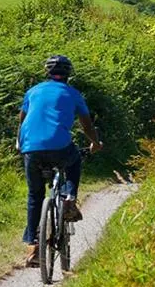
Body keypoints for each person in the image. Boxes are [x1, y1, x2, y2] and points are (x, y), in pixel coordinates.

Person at [17, 54, 101, 266]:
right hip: (60, 146)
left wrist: (19, 142)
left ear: (47, 72)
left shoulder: (33, 91)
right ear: (68, 75)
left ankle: (34, 248)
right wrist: (96, 143)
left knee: (35, 195)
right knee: (73, 161)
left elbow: (22, 119)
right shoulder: (73, 94)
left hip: (30, 148)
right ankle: (70, 197)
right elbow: (87, 125)